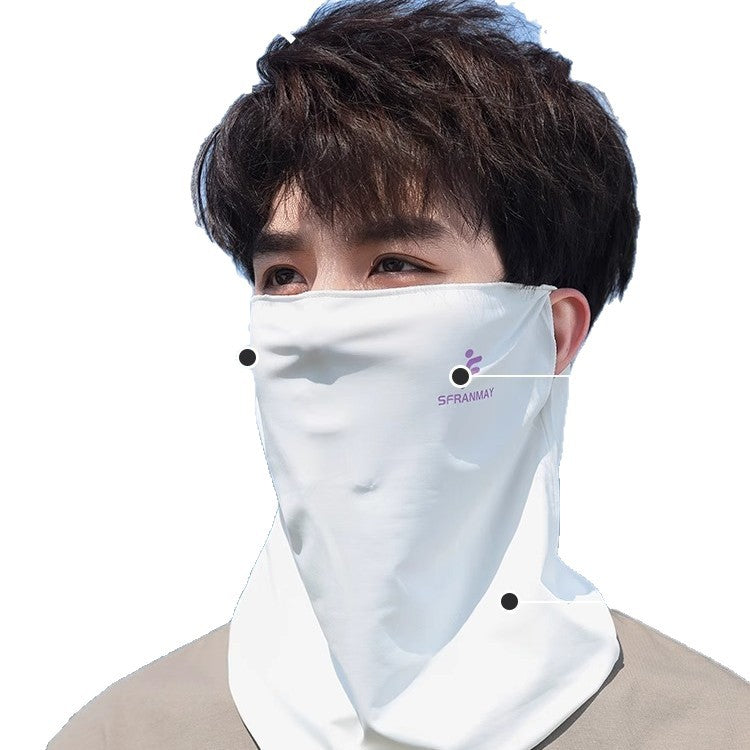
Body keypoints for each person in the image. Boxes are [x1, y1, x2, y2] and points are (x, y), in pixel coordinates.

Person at [47, 1, 749, 748]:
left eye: (394, 265)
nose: (318, 324)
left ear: (548, 336)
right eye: (283, 276)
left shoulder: (710, 732)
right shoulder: (124, 735)